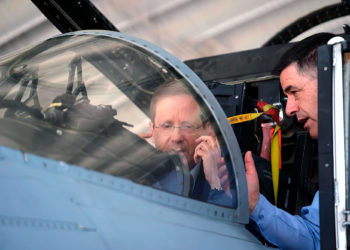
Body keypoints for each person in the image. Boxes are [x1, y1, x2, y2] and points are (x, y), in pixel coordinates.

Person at [245, 32, 335, 249]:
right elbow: (315, 239)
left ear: (330, 76)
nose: (290, 109)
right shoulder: (339, 160)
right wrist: (253, 204)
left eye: (294, 92)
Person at [148, 80, 234, 206]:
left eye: (187, 126)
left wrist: (216, 184)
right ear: (153, 131)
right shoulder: (141, 174)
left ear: (209, 131)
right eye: (167, 126)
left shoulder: (236, 171)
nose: (176, 137)